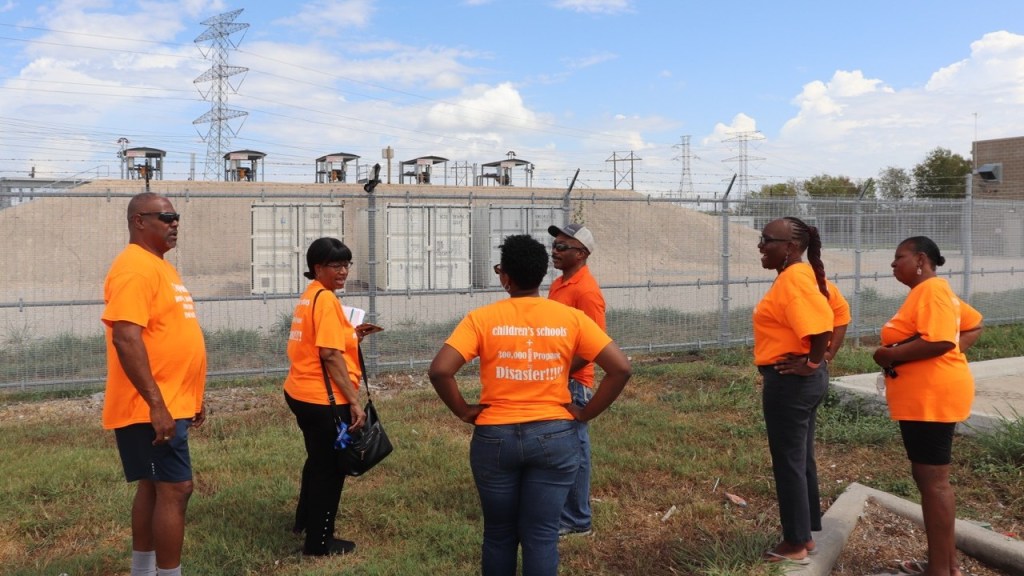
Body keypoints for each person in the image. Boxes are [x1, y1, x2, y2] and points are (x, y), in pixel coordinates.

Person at [428, 234, 632, 576]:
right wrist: (584, 414)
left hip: (494, 438)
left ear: (505, 277)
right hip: (555, 435)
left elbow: (440, 370)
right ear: (541, 275)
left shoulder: (481, 318)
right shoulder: (569, 318)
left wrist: (464, 411)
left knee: (498, 534)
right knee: (541, 535)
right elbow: (621, 368)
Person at [102, 193, 207, 576]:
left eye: (176, 217)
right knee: (176, 489)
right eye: (166, 217)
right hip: (149, 407)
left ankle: (143, 572)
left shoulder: (159, 267)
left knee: (153, 486)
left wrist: (192, 394)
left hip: (171, 401)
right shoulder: (134, 269)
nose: (174, 223)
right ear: (139, 222)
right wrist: (157, 405)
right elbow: (126, 338)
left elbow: (169, 336)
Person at [872, 236, 983, 576]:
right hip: (928, 395)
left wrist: (888, 355)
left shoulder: (931, 290)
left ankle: (939, 571)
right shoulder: (932, 292)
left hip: (931, 398)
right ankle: (946, 565)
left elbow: (938, 341)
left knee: (933, 483)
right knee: (931, 481)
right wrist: (954, 353)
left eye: (899, 257)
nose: (893, 264)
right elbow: (973, 323)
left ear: (921, 259)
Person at [283, 237, 373, 556]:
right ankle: (319, 543)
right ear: (317, 268)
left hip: (300, 391)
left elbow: (321, 342)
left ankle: (304, 521)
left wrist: (351, 335)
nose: (343, 271)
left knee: (317, 459)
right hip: (322, 399)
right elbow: (330, 355)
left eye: (347, 264)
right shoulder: (325, 300)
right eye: (336, 265)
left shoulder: (311, 296)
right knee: (330, 470)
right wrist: (353, 400)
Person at [752, 216, 834, 564]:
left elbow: (820, 329)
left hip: (791, 383)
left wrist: (812, 362)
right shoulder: (796, 276)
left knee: (789, 462)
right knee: (800, 460)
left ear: (789, 247)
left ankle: (796, 544)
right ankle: (806, 535)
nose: (760, 246)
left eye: (767, 240)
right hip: (798, 382)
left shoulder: (794, 279)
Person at [547, 223, 606, 537]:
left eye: (562, 247)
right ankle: (566, 509)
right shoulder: (559, 284)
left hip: (573, 382)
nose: (554, 251)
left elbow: (596, 346)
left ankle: (578, 520)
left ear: (582, 254)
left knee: (576, 450)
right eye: (554, 245)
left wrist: (560, 371)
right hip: (556, 376)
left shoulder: (586, 291)